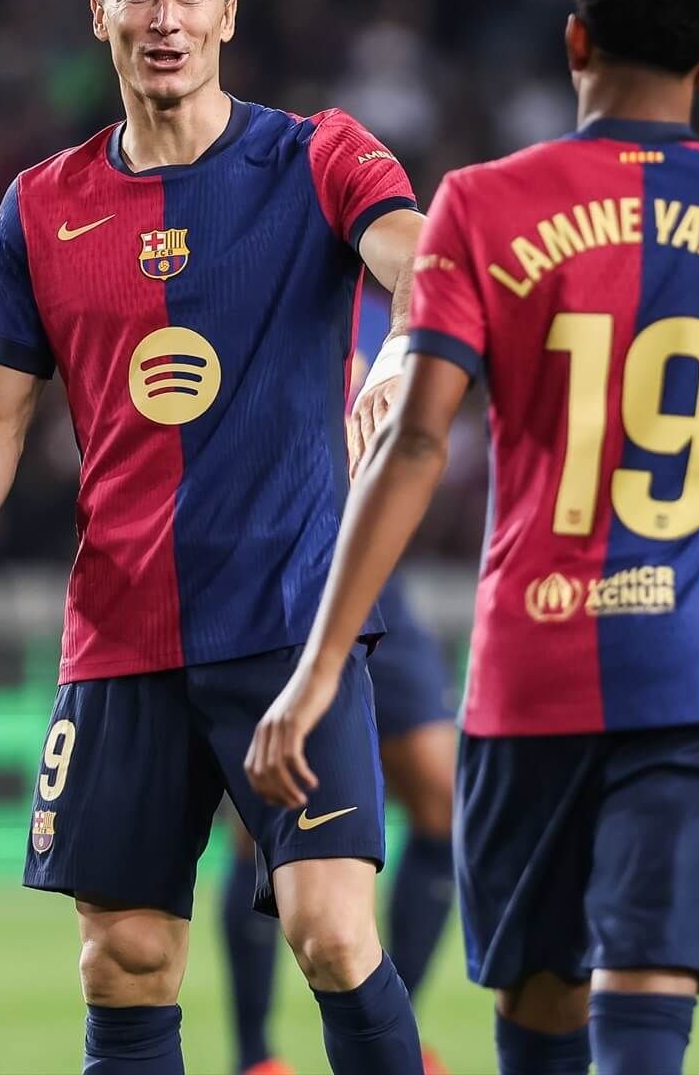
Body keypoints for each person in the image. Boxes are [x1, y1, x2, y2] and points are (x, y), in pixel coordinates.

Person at [246, 0, 699, 1074]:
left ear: (574, 43)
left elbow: (412, 447)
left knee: (543, 1002)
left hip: (530, 675)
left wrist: (320, 667)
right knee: (646, 994)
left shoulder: (477, 204)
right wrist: (693, 576)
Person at [0, 0, 427, 1074]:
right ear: (98, 16)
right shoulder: (40, 206)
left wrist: (400, 344)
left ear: (230, 13)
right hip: (123, 630)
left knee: (331, 933)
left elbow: (418, 259)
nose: (163, 16)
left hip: (289, 617)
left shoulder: (319, 154)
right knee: (123, 956)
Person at [221, 282, 458, 1075]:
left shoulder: (386, 278)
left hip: (369, 564)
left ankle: (396, 1029)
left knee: (441, 795)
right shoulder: (263, 254)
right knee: (258, 821)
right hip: (267, 571)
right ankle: (257, 1056)